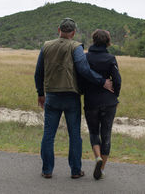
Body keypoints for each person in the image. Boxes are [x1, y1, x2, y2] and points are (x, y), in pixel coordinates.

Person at [34, 18, 113, 179]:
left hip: (52, 96)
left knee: (48, 134)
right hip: (71, 96)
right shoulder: (76, 47)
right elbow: (83, 69)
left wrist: (40, 93)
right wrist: (102, 81)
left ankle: (47, 170)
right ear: (73, 32)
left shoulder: (46, 46)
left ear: (59, 30)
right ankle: (75, 170)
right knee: (74, 135)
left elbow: (38, 72)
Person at [82, 29, 121, 180]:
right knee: (106, 134)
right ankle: (102, 168)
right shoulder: (111, 58)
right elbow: (117, 80)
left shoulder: (86, 57)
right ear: (108, 42)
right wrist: (114, 96)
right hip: (108, 102)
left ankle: (97, 157)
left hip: (91, 101)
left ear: (93, 40)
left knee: (93, 132)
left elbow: (82, 77)